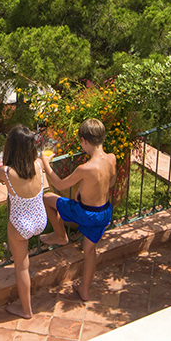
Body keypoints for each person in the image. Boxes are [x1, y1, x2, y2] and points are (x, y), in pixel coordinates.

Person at [38, 119, 118, 301]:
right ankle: (84, 290)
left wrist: (45, 162)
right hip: (104, 213)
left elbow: (58, 183)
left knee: (47, 198)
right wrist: (84, 189)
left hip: (86, 213)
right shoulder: (112, 158)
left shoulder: (85, 168)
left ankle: (60, 236)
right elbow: (110, 183)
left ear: (84, 141)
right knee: (89, 251)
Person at [0, 125, 50, 319]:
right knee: (20, 253)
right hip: (40, 219)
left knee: (22, 267)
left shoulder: (6, 173)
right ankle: (14, 248)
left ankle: (26, 310)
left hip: (20, 224)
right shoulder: (39, 164)